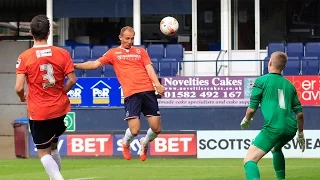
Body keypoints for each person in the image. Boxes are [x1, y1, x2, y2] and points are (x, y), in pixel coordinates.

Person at [74, 26, 164, 161]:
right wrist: (74, 65)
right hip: (131, 93)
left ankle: (144, 143)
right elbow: (94, 65)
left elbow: (149, 68)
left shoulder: (140, 51)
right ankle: (125, 143)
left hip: (147, 90)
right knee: (134, 131)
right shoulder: (113, 53)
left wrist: (157, 84)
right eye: (127, 38)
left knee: (156, 129)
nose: (130, 41)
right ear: (120, 37)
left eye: (132, 38)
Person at [15, 15, 76, 180]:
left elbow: (19, 87)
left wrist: (22, 97)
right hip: (59, 108)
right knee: (53, 147)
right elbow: (72, 80)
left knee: (43, 152)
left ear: (30, 33)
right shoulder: (62, 53)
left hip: (39, 110)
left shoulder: (24, 57)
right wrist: (61, 92)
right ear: (49, 33)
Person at [240, 51, 306, 180]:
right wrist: (301, 133)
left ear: (269, 63)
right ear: (283, 67)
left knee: (249, 160)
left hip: (274, 127)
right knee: (276, 148)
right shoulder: (290, 86)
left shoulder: (261, 81)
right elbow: (300, 114)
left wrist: (247, 119)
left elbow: (252, 109)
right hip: (291, 128)